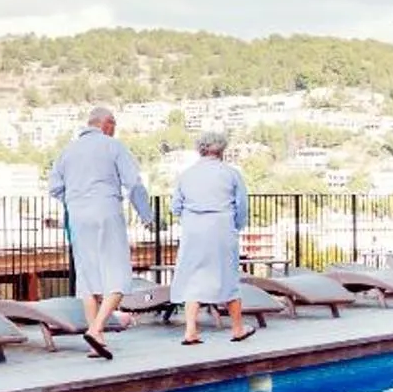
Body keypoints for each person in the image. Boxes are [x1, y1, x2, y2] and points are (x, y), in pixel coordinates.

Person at [47, 105, 156, 359]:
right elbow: (134, 185)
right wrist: (146, 216)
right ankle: (96, 329)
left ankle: (96, 342)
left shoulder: (67, 151)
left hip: (78, 216)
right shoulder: (113, 146)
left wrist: (75, 200)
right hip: (106, 210)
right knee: (118, 275)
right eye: (114, 125)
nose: (114, 130)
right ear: (106, 124)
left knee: (88, 277)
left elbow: (54, 188)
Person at [167, 129, 251, 344]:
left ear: (200, 149)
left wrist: (188, 218)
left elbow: (175, 206)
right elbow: (241, 206)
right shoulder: (231, 173)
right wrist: (236, 226)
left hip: (194, 229)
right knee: (228, 276)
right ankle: (237, 328)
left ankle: (190, 330)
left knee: (192, 277)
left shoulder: (186, 175)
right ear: (222, 150)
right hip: (221, 227)